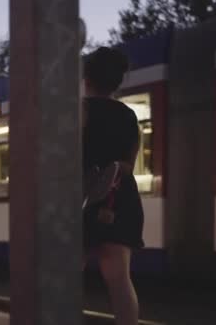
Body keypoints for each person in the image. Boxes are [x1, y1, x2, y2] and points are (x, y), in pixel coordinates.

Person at [82, 47, 144, 325]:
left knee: (65, 278)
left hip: (81, 199)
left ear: (87, 79)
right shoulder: (129, 117)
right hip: (120, 198)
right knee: (120, 281)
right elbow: (128, 164)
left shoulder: (77, 112)